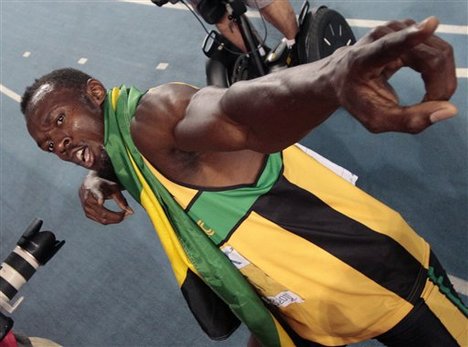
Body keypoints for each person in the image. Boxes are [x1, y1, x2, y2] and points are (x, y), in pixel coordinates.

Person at [20, 17, 466, 347]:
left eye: (60, 121)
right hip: (305, 310)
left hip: (384, 281)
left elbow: (237, 114)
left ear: (96, 93)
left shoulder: (154, 117)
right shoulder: (120, 150)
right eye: (48, 145)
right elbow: (116, 158)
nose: (60, 144)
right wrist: (98, 177)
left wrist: (333, 74)